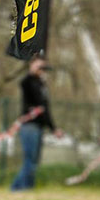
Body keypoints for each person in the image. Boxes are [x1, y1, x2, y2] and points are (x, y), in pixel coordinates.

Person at [10, 55, 61, 191]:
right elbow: (24, 83)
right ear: (31, 65)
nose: (41, 69)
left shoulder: (41, 85)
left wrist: (53, 128)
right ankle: (20, 188)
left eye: (43, 67)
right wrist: (33, 71)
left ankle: (22, 188)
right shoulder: (28, 82)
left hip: (39, 127)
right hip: (29, 126)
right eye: (39, 66)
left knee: (34, 161)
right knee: (30, 160)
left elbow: (45, 109)